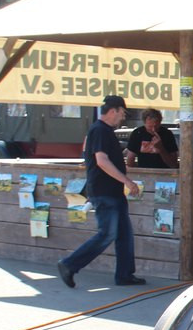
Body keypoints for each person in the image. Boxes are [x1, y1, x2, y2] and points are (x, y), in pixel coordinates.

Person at [57, 95, 145, 288]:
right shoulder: (100, 130)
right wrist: (127, 181)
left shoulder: (104, 131)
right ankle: (69, 264)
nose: (123, 117)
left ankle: (124, 275)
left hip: (113, 192)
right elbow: (102, 161)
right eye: (122, 113)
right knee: (107, 234)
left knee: (124, 234)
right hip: (104, 192)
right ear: (113, 110)